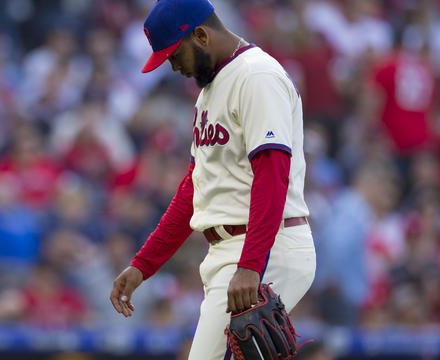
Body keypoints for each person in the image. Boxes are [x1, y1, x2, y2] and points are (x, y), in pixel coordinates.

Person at [109, 1, 316, 359]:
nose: (173, 67)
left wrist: (251, 266)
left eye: (174, 55)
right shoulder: (213, 88)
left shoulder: (256, 76)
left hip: (263, 246)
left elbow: (272, 175)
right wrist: (144, 264)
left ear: (201, 35)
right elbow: (195, 188)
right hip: (235, 249)